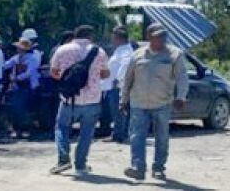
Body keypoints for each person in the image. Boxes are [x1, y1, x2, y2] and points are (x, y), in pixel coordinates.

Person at [121, 23, 188, 182]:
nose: (161, 39)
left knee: (162, 137)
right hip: (138, 103)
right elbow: (127, 79)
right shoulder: (137, 55)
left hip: (162, 104)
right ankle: (138, 168)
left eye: (163, 36)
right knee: (137, 137)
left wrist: (181, 97)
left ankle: (158, 168)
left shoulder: (174, 55)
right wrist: (123, 100)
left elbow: (182, 78)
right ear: (149, 37)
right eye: (157, 36)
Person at [49, 25, 110, 176]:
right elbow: (105, 74)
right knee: (87, 132)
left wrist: (66, 80)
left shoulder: (62, 50)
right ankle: (81, 164)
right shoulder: (99, 52)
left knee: (61, 127)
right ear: (90, 36)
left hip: (69, 98)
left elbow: (54, 72)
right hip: (92, 99)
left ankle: (63, 159)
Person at [4, 38, 40, 137]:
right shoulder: (16, 58)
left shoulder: (33, 58)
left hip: (29, 86)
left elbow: (29, 73)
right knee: (16, 107)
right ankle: (17, 129)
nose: (17, 49)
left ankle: (26, 129)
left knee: (26, 108)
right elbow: (6, 65)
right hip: (17, 86)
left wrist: (16, 78)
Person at [104, 26, 135, 143]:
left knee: (119, 111)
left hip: (118, 87)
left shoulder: (126, 51)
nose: (112, 40)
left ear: (119, 38)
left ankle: (121, 135)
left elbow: (126, 66)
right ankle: (117, 134)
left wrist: (118, 80)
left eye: (113, 38)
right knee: (116, 112)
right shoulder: (120, 50)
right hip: (113, 86)